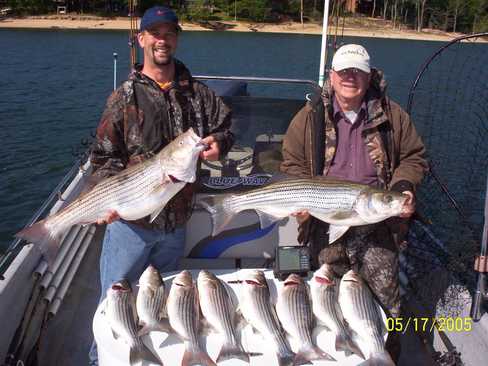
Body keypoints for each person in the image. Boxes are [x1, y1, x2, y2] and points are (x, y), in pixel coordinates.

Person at [88, 5, 233, 365]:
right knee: (113, 305)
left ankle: (154, 357)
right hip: (130, 226)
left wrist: (220, 143)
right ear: (141, 40)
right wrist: (108, 200)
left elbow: (225, 128)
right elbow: (104, 159)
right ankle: (98, 359)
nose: (162, 40)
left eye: (169, 33)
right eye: (154, 33)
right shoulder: (123, 97)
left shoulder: (198, 94)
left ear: (177, 39)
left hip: (176, 225)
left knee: (161, 304)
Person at [281, 44, 427, 361]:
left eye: (357, 72)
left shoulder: (393, 116)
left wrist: (403, 187)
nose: (350, 77)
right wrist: (301, 199)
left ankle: (385, 356)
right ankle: (325, 353)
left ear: (369, 76)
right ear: (331, 76)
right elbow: (292, 164)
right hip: (322, 220)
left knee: (387, 304)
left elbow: (414, 158)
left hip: (376, 223)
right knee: (320, 293)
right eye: (344, 71)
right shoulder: (308, 119)